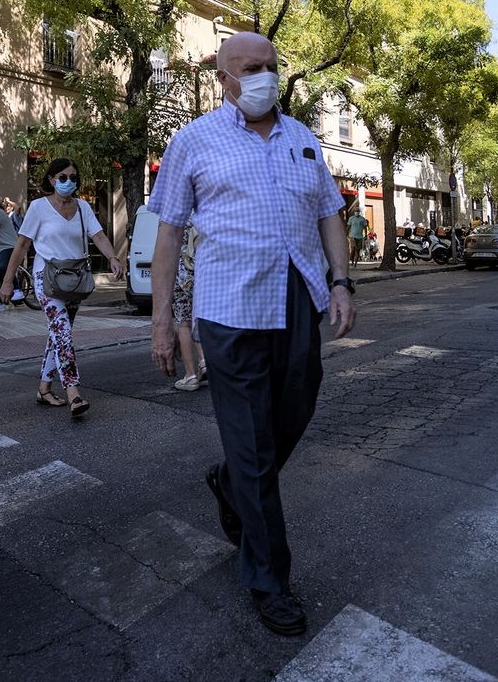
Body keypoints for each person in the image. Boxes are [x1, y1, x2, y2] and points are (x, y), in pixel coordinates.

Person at [147, 31, 356, 636]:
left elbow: (329, 214)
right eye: (250, 68)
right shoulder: (192, 141)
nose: (265, 76)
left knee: (296, 409)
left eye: (271, 65)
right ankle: (269, 579)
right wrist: (162, 324)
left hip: (298, 298)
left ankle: (230, 482)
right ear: (223, 78)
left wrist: (342, 282)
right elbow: (169, 235)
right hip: (228, 306)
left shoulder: (302, 137)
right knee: (255, 446)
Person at [0, 158, 125, 418]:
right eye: (63, 177)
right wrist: (8, 281)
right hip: (46, 277)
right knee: (63, 334)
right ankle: (73, 392)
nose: (69, 182)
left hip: (74, 279)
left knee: (58, 335)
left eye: (73, 177)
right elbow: (22, 245)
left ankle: (44, 388)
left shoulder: (83, 207)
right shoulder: (38, 207)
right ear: (52, 179)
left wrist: (113, 257)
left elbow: (98, 236)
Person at [169, 225, 207, 391]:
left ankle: (190, 376)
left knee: (183, 322)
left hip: (182, 271)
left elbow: (166, 244)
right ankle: (204, 362)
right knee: (199, 316)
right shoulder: (202, 211)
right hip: (203, 269)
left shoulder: (174, 214)